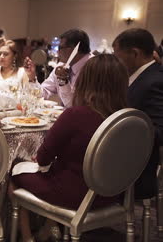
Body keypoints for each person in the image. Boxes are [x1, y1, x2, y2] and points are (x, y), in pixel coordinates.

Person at [10, 54, 128, 242]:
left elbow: (42, 159)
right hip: (112, 195)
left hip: (75, 196)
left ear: (86, 81)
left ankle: (26, 238)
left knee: (13, 170)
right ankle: (46, 232)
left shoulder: (76, 115)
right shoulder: (127, 118)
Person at [112, 28, 163, 200]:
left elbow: (159, 132)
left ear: (135, 53)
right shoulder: (142, 76)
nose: (116, 62)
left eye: (117, 56)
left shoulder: (154, 81)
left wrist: (115, 132)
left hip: (135, 169)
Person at [36, 29, 92, 108]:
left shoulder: (93, 67)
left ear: (74, 49)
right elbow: (44, 91)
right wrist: (32, 79)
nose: (58, 52)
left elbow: (76, 106)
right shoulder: (63, 64)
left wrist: (63, 81)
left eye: (60, 47)